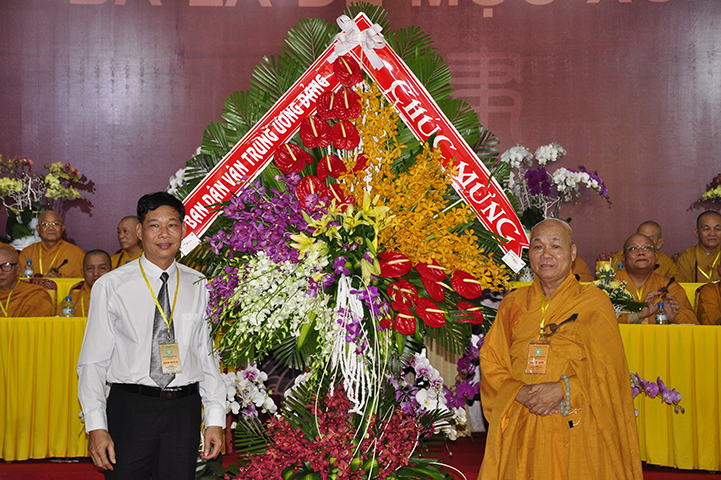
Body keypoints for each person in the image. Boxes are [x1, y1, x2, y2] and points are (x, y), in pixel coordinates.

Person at [478, 219, 642, 480]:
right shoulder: (513, 303)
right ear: (529, 254)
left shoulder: (593, 302)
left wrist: (564, 389)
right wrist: (518, 392)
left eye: (556, 246)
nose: (546, 255)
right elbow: (491, 360)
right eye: (538, 247)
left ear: (573, 252)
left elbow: (610, 370)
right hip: (523, 419)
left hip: (576, 420)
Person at [77, 192, 225, 480]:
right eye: (154, 225)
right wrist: (96, 426)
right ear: (139, 231)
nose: (164, 234)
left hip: (183, 410)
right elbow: (93, 361)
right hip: (132, 407)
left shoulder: (199, 285)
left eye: (172, 225)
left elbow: (206, 355)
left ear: (183, 230)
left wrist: (215, 418)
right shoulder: (112, 285)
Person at [615, 234, 698, 325]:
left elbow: (693, 324)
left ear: (656, 257)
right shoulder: (609, 284)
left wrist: (673, 317)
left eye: (647, 248)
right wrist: (637, 316)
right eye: (633, 248)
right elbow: (603, 318)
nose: (641, 252)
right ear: (623, 259)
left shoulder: (669, 287)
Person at [18, 210, 85, 278]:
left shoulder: (76, 253)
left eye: (55, 224)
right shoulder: (28, 253)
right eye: (45, 224)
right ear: (38, 229)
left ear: (63, 228)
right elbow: (20, 281)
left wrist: (60, 279)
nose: (51, 228)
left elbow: (81, 282)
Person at [610, 221, 681, 279]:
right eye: (641, 237)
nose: (641, 251)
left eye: (650, 240)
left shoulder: (664, 260)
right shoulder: (622, 257)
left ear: (659, 243)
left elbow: (679, 277)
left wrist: (661, 281)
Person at [0, 247, 53, 317]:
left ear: (18, 268)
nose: (0, 272)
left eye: (6, 266)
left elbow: (35, 323)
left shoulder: (34, 294)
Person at [56, 250, 112, 317]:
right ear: (83, 273)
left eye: (102, 268)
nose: (95, 273)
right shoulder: (70, 303)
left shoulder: (119, 299)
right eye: (90, 268)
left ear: (112, 272)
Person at [676, 211, 721, 283]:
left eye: (717, 229)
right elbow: (681, 286)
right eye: (706, 229)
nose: (712, 234)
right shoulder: (687, 258)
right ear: (697, 233)